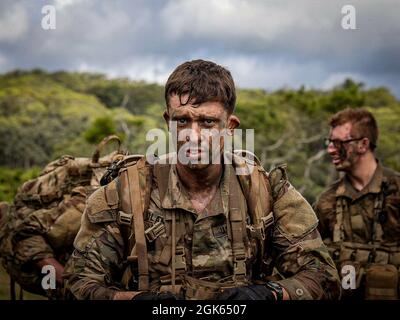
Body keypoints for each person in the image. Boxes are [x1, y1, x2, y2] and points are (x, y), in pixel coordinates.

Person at [64, 59, 340, 300]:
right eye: (182, 120)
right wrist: (133, 299)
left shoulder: (266, 191)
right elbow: (77, 284)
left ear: (229, 127)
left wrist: (269, 294)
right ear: (167, 121)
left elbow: (323, 278)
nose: (192, 135)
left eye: (207, 122)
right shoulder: (124, 194)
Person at [314, 107, 400, 299]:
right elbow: (310, 261)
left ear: (363, 144)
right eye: (329, 142)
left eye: (338, 143)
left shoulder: (396, 193)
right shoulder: (327, 202)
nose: (330, 149)